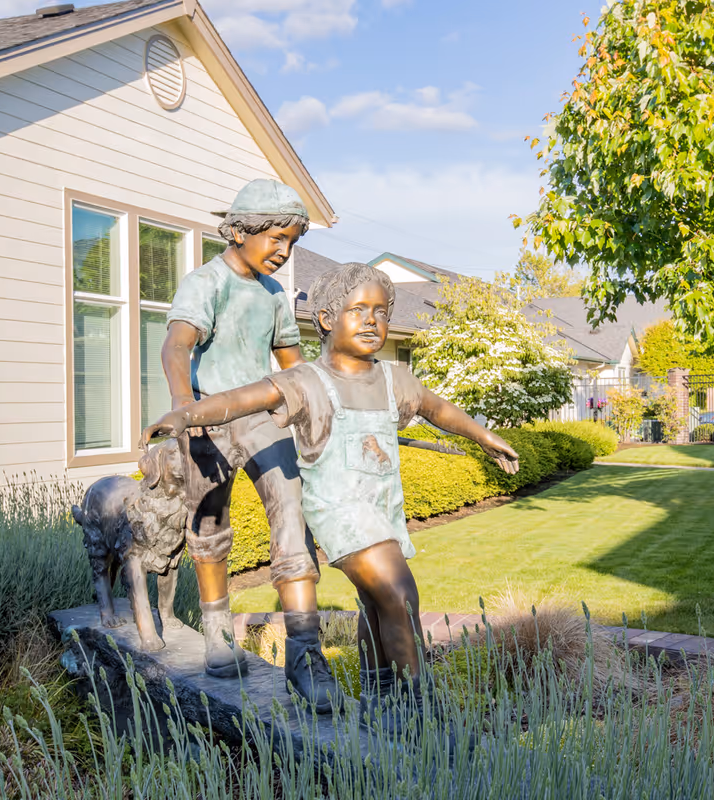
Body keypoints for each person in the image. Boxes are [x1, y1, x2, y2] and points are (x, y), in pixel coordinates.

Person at [142, 263, 519, 723]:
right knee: (400, 595)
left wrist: (483, 436)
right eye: (357, 309)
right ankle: (418, 710)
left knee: (377, 603)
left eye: (381, 311)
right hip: (339, 509)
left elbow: (436, 407)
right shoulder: (307, 381)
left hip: (383, 508)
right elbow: (242, 399)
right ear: (324, 318)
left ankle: (382, 702)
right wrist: (188, 413)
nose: (371, 320)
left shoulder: (393, 378)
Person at [159, 178, 340, 712]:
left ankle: (305, 654)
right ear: (239, 231)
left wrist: (330, 395)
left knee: (291, 514)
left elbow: (293, 364)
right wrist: (183, 412)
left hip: (263, 417)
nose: (284, 253)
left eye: (292, 243)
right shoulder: (205, 283)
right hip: (209, 420)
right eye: (276, 240)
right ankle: (217, 634)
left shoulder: (275, 295)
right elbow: (176, 346)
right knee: (209, 522)